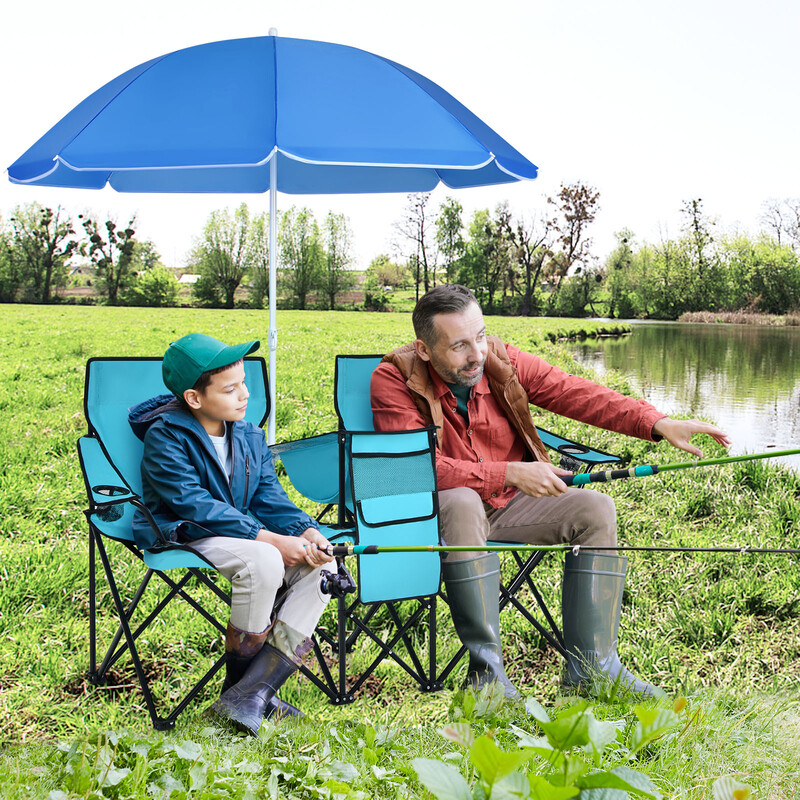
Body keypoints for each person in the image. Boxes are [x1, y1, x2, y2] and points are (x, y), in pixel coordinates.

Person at [371, 284, 730, 699]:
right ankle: (487, 682)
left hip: (506, 505)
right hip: (436, 513)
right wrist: (509, 472)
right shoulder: (394, 378)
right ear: (425, 349)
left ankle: (593, 670)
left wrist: (657, 423)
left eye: (481, 336)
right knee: (464, 500)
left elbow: (575, 392)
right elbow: (413, 471)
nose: (477, 354)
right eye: (460, 346)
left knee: (595, 509)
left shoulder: (501, 362)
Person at [128, 333, 333, 734]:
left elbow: (269, 498)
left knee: (323, 572)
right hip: (184, 531)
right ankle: (246, 695)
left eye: (243, 383)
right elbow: (193, 503)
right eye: (230, 388)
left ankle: (250, 695)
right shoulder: (166, 436)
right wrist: (270, 539)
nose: (244, 394)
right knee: (264, 559)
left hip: (241, 533)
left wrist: (307, 531)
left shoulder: (249, 435)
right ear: (194, 398)